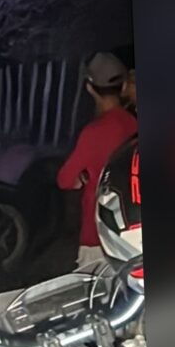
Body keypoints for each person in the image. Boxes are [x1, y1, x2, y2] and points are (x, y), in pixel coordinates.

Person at [57, 52, 138, 269]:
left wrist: (83, 177)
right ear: (122, 88)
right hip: (133, 229)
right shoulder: (134, 124)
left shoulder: (94, 132)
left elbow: (64, 179)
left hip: (99, 233)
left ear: (90, 88)